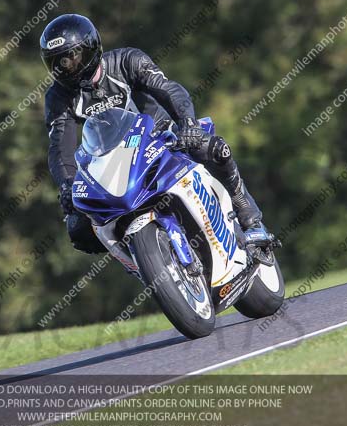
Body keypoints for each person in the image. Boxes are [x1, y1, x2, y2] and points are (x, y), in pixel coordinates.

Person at [41, 13, 277, 258]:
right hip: (112, 165)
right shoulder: (58, 97)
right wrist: (67, 185)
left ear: (91, 48)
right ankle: (140, 260)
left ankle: (249, 218)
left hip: (161, 137)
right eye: (57, 62)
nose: (66, 67)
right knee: (78, 226)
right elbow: (59, 147)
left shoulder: (128, 60)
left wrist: (187, 124)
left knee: (210, 148)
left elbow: (169, 90)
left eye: (72, 57)